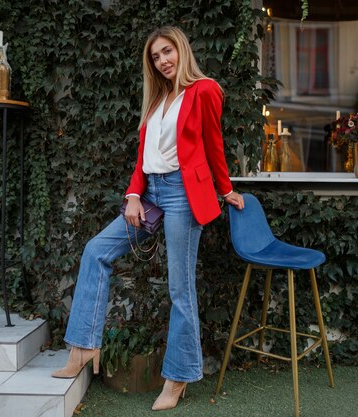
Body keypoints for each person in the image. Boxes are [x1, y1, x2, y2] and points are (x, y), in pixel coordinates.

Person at [51, 26, 245, 411]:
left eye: (167, 52)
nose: (163, 61)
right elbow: (142, 157)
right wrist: (134, 195)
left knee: (180, 288)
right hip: (149, 194)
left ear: (181, 50)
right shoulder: (157, 99)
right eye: (156, 57)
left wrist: (226, 190)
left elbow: (213, 144)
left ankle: (177, 378)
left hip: (182, 197)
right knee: (96, 251)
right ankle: (84, 348)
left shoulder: (204, 89)